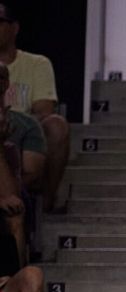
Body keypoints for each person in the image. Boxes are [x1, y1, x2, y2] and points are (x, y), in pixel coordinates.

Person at [0, 5, 68, 213]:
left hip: (24, 132)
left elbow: (44, 109)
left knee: (56, 125)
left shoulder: (37, 63)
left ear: (15, 28)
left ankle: (46, 203)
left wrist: (14, 126)